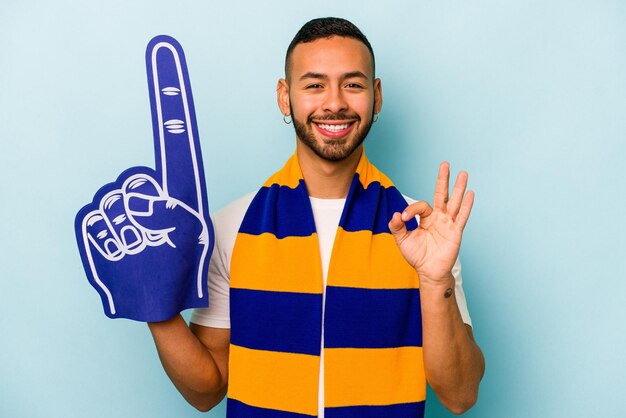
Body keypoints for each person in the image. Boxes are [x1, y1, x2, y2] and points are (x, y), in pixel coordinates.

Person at [148, 17, 484, 417]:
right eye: (314, 84)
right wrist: (154, 300)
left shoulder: (422, 233)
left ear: (376, 97)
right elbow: (206, 392)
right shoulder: (232, 226)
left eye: (353, 84)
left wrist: (434, 280)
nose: (335, 102)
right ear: (284, 97)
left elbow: (460, 395)